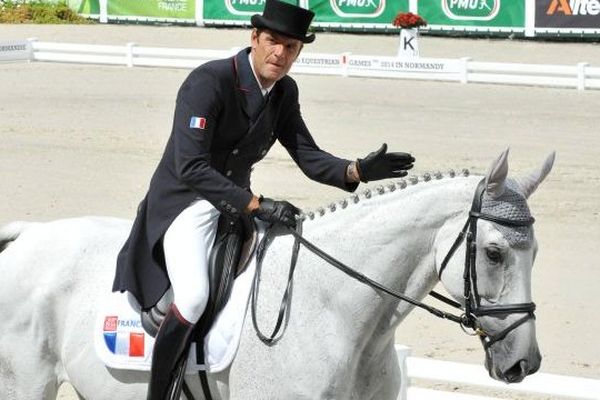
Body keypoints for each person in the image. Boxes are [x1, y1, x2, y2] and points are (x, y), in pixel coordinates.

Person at [112, 0, 415, 398]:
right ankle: (160, 393)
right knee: (194, 294)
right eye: (273, 42)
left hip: (233, 207)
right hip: (185, 203)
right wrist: (255, 204)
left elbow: (307, 155)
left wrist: (354, 170)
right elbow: (191, 167)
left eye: (291, 48)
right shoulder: (209, 81)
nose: (280, 54)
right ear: (254, 37)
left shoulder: (284, 91)